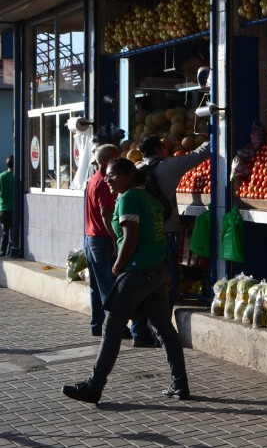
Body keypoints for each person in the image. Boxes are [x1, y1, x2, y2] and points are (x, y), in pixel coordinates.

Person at [62, 157, 190, 405]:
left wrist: (118, 265)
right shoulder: (151, 200)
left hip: (136, 270)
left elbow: (131, 238)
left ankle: (94, 386)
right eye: (106, 175)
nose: (107, 179)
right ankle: (180, 384)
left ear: (129, 175)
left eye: (113, 174)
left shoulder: (129, 198)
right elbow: (149, 236)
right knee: (163, 328)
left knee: (111, 327)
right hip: (156, 271)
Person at [84, 144, 154, 345]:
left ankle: (98, 324)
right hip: (102, 238)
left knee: (97, 286)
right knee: (111, 287)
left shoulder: (94, 179)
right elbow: (106, 214)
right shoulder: (105, 183)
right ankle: (121, 328)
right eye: (115, 158)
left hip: (92, 237)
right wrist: (116, 239)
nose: (120, 159)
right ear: (105, 161)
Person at [138, 134, 210, 306]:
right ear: (158, 149)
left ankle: (150, 308)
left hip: (142, 231)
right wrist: (213, 136)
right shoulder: (169, 166)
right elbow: (199, 155)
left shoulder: (136, 169)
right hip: (166, 230)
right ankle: (167, 306)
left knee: (147, 271)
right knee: (168, 270)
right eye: (164, 147)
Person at [0, 155, 14, 257]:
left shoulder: (1, 176)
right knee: (13, 233)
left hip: (3, 209)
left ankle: (2, 251)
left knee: (5, 231)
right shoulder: (16, 177)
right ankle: (11, 252)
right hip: (13, 209)